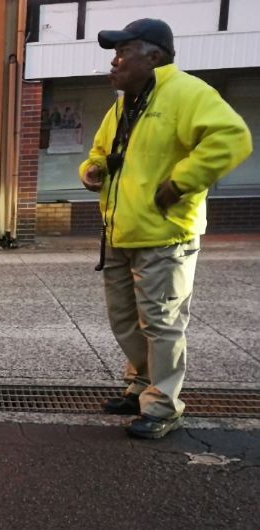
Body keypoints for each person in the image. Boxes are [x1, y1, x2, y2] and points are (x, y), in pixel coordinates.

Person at [79, 18, 252, 439]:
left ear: (153, 56)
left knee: (161, 322)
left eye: (123, 54)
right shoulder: (122, 106)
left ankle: (163, 405)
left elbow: (232, 137)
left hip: (166, 234)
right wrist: (92, 170)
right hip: (120, 231)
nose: (114, 63)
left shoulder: (187, 93)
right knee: (126, 320)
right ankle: (141, 385)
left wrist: (180, 183)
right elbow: (99, 152)